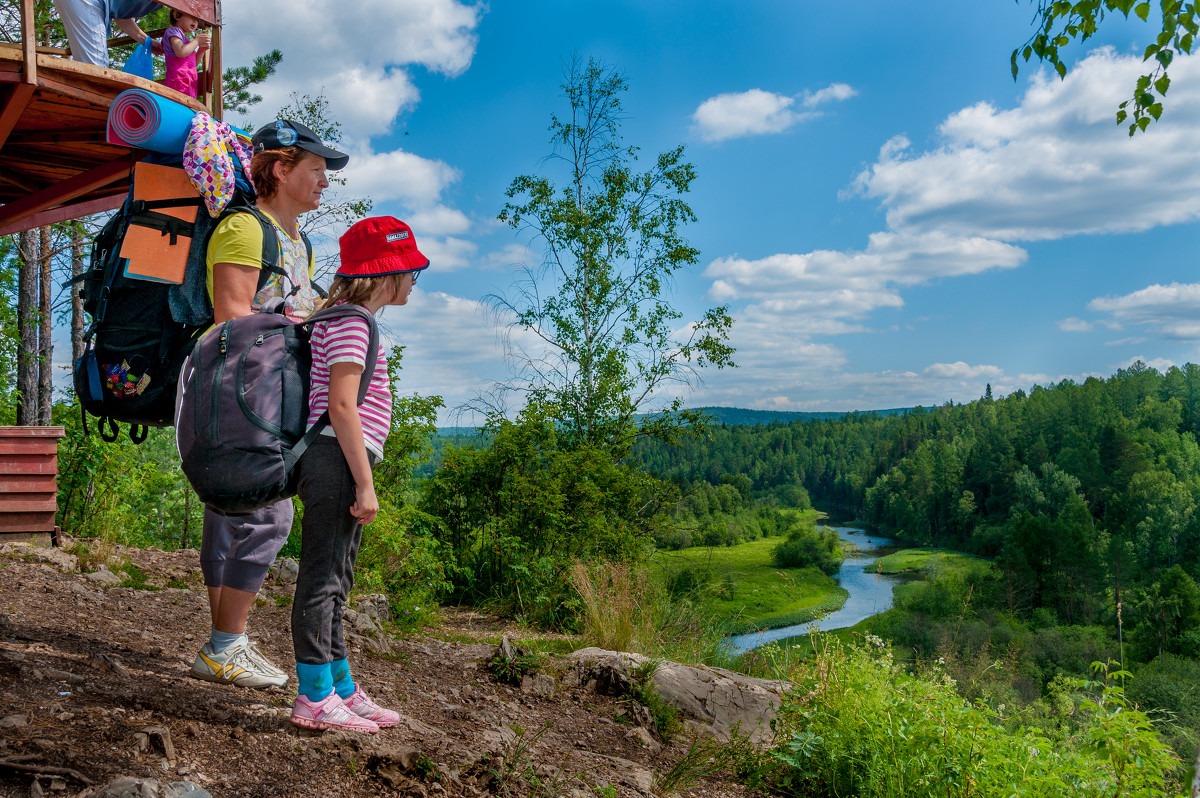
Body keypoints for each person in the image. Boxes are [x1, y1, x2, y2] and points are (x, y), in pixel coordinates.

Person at [188, 119, 350, 690]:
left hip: (268, 390)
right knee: (267, 507)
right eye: (316, 170)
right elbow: (230, 316)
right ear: (281, 170)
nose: (324, 182)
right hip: (243, 393)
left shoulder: (297, 240)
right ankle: (225, 644)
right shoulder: (243, 228)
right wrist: (298, 325)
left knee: (230, 511)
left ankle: (223, 644)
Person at [289, 216, 428, 733]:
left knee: (337, 579)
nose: (414, 281)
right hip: (338, 458)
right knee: (323, 579)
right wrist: (365, 484)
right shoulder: (352, 322)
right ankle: (314, 697)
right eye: (411, 270)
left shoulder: (342, 317)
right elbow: (343, 407)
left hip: (340, 458)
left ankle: (341, 687)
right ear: (386, 274)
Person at [52, 0, 161, 68]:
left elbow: (119, 15)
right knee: (97, 70)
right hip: (88, 2)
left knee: (88, 66)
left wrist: (147, 41)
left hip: (88, 4)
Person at [162, 9, 210, 97]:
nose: (195, 21)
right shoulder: (173, 31)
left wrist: (201, 51)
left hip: (188, 85)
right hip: (177, 83)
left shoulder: (186, 41)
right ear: (177, 15)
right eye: (192, 17)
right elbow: (180, 52)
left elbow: (193, 63)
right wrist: (196, 41)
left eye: (197, 20)